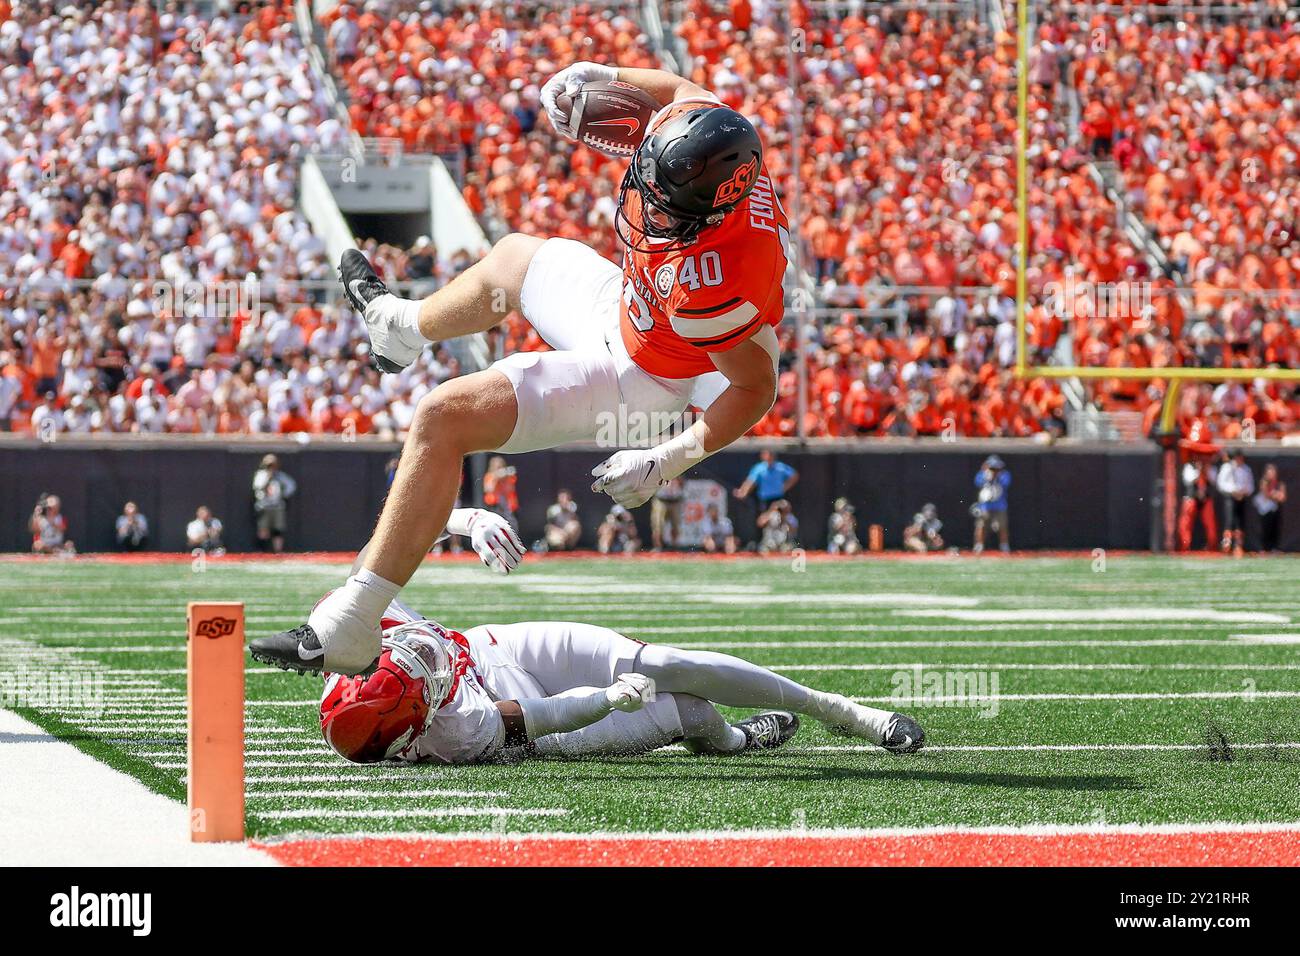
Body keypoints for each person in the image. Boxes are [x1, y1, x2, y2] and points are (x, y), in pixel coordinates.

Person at [262, 63, 787, 676]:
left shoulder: (721, 280)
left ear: (707, 216)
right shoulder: (702, 137)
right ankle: (399, 328)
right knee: (514, 258)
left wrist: (667, 459)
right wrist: (601, 74)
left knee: (442, 417)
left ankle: (355, 619)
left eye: (665, 212)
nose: (646, 209)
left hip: (650, 381)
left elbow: (755, 387)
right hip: (629, 310)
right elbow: (674, 89)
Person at [303, 594, 924, 765]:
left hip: (496, 645)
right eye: (426, 679)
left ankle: (844, 712)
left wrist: (463, 522)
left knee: (665, 663)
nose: (424, 656)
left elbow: (392, 545)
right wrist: (604, 700)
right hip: (530, 721)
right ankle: (735, 740)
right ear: (419, 716)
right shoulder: (454, 733)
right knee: (689, 712)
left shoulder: (348, 632)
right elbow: (538, 717)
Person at [252, 454, 297, 553]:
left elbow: (291, 486)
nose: (271, 468)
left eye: (273, 465)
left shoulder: (280, 476)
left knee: (278, 529)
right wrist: (268, 478)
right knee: (263, 529)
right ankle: (262, 551)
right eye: (269, 465)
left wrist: (284, 495)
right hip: (264, 505)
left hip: (277, 505)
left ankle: (278, 551)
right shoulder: (261, 475)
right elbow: (257, 487)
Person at [1216, 450, 1254, 558]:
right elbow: (1221, 483)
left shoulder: (1246, 469)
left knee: (1240, 522)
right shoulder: (1227, 467)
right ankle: (1227, 544)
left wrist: (1243, 492)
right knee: (1229, 520)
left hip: (1241, 498)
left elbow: (1250, 486)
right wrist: (1233, 491)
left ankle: (1238, 545)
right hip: (1230, 498)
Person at [972, 455, 1011, 554]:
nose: (995, 470)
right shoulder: (982, 475)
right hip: (985, 506)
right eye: (992, 468)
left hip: (1000, 505)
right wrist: (987, 477)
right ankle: (979, 545)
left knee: (1002, 526)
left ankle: (1004, 545)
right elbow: (977, 483)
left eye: (996, 468)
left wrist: (996, 477)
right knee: (981, 525)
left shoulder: (1005, 475)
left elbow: (1006, 484)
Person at [1254, 464, 1287, 553]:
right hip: (1265, 510)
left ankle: (1275, 548)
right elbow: (1266, 494)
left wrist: (1275, 495)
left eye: (1273, 472)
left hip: (1276, 509)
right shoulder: (1264, 482)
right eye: (1270, 472)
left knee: (1275, 529)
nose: (1271, 474)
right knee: (1265, 528)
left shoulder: (1279, 483)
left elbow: (1283, 497)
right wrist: (1275, 495)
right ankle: (1264, 548)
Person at [482, 456, 519, 531]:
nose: (499, 469)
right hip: (494, 507)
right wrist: (496, 477)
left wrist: (504, 477)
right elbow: (488, 489)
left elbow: (510, 489)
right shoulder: (490, 476)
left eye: (501, 467)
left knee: (511, 526)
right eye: (497, 467)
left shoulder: (508, 477)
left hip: (507, 507)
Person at [650, 477, 684, 551]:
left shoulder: (678, 467)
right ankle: (657, 547)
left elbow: (682, 482)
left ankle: (675, 546)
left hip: (675, 500)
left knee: (676, 525)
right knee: (657, 525)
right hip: (661, 499)